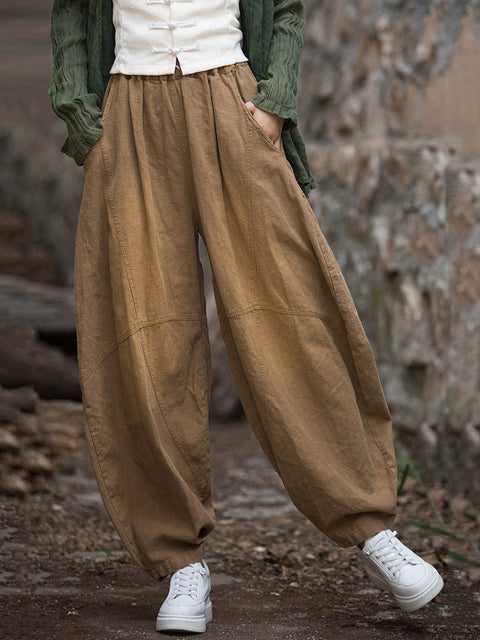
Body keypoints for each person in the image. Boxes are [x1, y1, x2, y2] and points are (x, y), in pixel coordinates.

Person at [49, 0, 444, 634]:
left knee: (293, 320)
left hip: (235, 101)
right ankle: (181, 561)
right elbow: (71, 15)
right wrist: (86, 122)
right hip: (130, 113)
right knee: (147, 338)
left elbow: (283, 6)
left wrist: (274, 101)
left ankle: (371, 528)